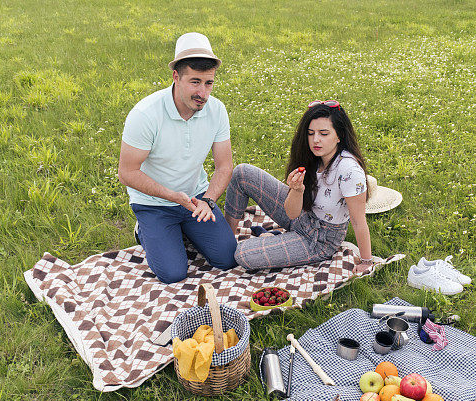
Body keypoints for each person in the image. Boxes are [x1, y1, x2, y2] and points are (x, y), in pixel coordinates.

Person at [117, 32, 237, 284]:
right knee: (173, 274)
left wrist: (209, 200)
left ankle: (183, 229)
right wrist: (172, 196)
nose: (202, 93)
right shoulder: (145, 114)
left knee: (227, 259)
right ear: (176, 77)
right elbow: (126, 173)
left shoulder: (217, 110)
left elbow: (225, 165)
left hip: (196, 199)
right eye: (195, 82)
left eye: (208, 83)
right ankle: (146, 229)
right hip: (154, 203)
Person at [224, 100, 377, 274]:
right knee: (243, 173)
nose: (315, 140)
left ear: (339, 136)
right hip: (301, 217)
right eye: (311, 133)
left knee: (243, 253)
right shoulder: (312, 157)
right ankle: (225, 238)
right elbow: (292, 214)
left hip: (319, 240)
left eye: (324, 133)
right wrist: (297, 190)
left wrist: (366, 261)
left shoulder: (349, 171)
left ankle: (274, 241)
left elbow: (358, 221)